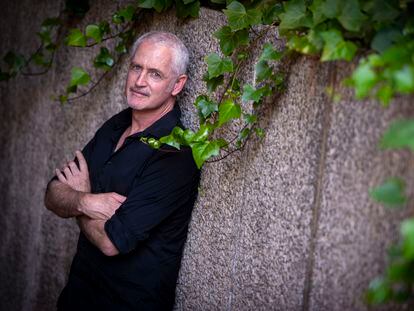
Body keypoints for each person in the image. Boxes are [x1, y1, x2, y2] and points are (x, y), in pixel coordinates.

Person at [44, 31, 200, 311]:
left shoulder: (175, 153)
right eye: (136, 67)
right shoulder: (116, 125)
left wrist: (77, 199)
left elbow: (110, 241)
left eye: (155, 74)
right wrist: (86, 200)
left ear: (177, 85)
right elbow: (53, 193)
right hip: (77, 297)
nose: (139, 81)